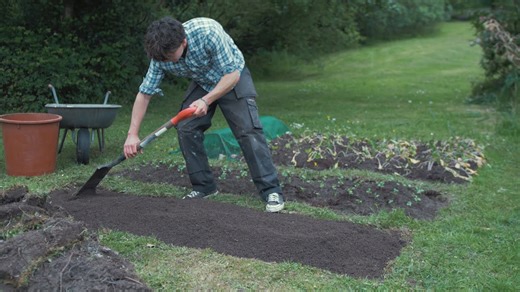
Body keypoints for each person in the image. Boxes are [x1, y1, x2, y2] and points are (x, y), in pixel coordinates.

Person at [123, 17, 285, 212]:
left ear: (183, 42)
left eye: (169, 56)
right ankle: (204, 187)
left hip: (232, 77)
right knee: (186, 127)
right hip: (203, 81)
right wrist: (132, 133)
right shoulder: (160, 55)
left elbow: (232, 75)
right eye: (162, 58)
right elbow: (145, 93)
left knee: (247, 130)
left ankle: (271, 191)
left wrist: (206, 100)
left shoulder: (208, 33)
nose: (165, 60)